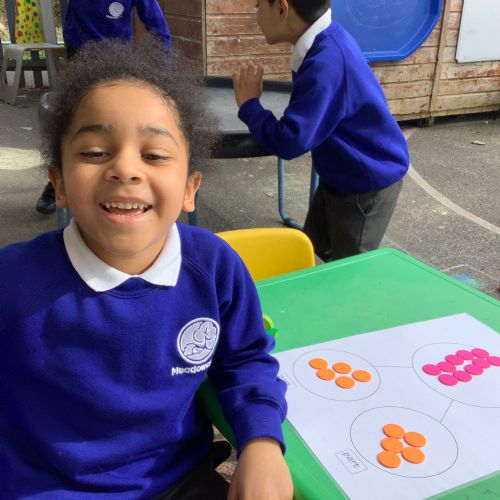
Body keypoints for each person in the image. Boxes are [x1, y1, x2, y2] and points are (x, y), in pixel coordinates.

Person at [2, 36, 292, 499]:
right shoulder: (13, 281)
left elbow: (245, 360)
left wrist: (261, 443)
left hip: (180, 481)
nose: (125, 169)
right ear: (59, 183)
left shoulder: (214, 267)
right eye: (94, 152)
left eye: (154, 155)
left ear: (190, 189)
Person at [232, 0, 409, 262]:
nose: (255, 14)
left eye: (259, 6)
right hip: (340, 172)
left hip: (366, 183)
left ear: (282, 9)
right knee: (314, 249)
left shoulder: (327, 62)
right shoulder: (323, 40)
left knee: (349, 270)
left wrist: (249, 105)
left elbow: (290, 141)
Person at [36, 0, 171, 214]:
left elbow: (156, 24)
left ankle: (126, 180)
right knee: (72, 123)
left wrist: (162, 70)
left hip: (117, 62)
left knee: (118, 124)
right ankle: (59, 182)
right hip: (80, 59)